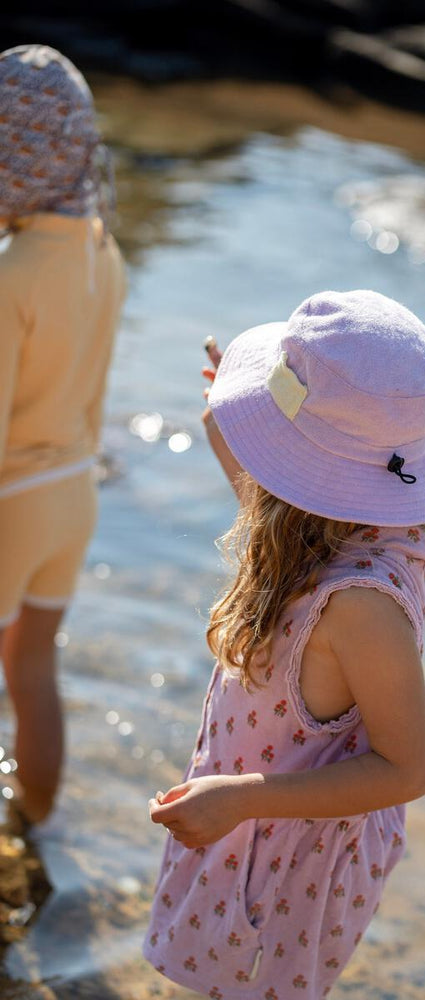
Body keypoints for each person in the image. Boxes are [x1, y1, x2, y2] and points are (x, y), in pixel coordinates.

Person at [145, 289, 425, 999]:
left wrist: (243, 800)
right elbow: (259, 494)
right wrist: (238, 407)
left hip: (296, 854)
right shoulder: (314, 530)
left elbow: (407, 771)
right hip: (251, 818)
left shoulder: (358, 606)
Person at [0, 45, 126, 823]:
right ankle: (35, 821)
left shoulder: (12, 273)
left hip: (11, 495)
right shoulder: (104, 252)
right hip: (73, 491)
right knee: (34, 665)